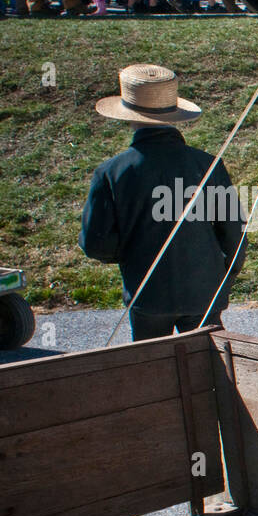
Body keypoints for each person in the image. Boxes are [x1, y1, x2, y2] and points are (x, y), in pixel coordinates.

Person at [80, 64, 246, 340]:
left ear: (128, 116)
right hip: (205, 291)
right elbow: (234, 232)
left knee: (153, 370)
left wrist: (131, 253)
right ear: (174, 114)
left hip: (148, 293)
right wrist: (226, 274)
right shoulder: (208, 164)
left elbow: (95, 244)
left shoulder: (111, 173)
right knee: (211, 372)